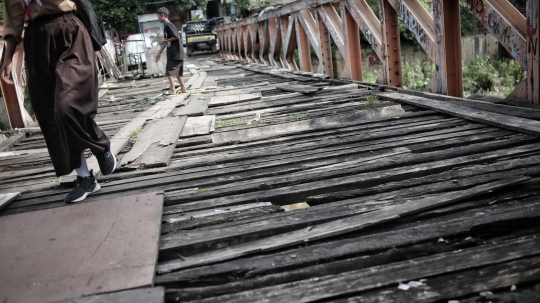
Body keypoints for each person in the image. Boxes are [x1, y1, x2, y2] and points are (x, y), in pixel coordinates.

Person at [1, 0, 116, 203]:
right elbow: (13, 21)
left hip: (68, 31)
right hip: (36, 39)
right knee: (50, 113)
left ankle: (101, 146)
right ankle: (84, 178)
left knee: (67, 105)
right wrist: (8, 58)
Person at [155, 7, 187, 95]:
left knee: (169, 71)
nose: (157, 19)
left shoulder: (169, 25)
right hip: (177, 52)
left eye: (158, 16)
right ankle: (183, 88)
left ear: (162, 15)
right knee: (177, 73)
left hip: (175, 52)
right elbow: (166, 40)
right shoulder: (166, 26)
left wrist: (164, 41)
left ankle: (172, 90)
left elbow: (177, 36)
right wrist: (159, 53)